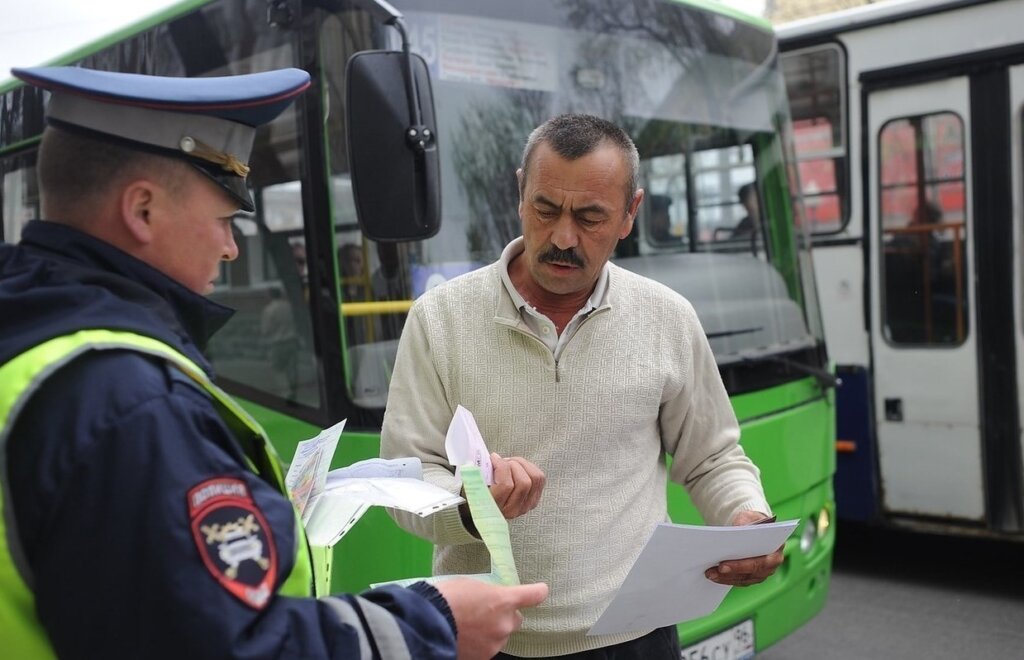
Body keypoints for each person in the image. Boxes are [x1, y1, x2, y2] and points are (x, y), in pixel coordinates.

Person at [0, 65, 546, 659]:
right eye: (223, 220)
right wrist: (430, 623)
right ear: (143, 210)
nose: (231, 247)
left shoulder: (34, 343)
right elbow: (220, 645)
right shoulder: (127, 399)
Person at [380, 113, 781, 658]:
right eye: (546, 210)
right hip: (488, 639)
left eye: (591, 218)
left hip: (636, 637)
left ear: (630, 214)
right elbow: (404, 482)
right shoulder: (439, 319)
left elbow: (711, 458)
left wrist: (747, 519)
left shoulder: (667, 317)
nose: (562, 238)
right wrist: (472, 506)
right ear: (521, 191)